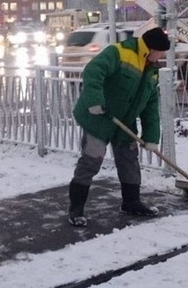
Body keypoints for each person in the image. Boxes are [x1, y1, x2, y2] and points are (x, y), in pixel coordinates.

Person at [67, 26, 171, 227]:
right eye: (162, 51)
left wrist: (151, 138)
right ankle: (76, 208)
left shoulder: (152, 71)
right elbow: (93, 70)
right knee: (91, 161)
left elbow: (150, 107)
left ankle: (131, 202)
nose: (163, 56)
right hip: (98, 116)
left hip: (124, 121)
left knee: (129, 160)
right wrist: (95, 100)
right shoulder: (120, 52)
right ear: (152, 48)